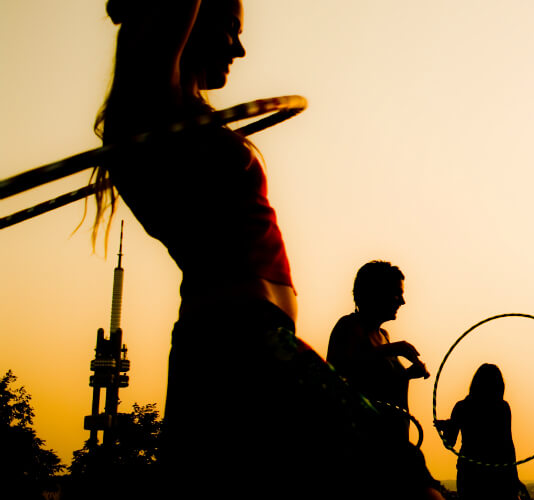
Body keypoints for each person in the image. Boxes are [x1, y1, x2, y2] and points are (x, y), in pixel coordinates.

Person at [90, 1, 442, 497]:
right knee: (393, 471)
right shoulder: (150, 102)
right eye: (229, 30)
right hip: (241, 341)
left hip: (248, 339)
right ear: (188, 23)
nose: (239, 47)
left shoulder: (176, 115)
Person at [327, 260, 430, 443]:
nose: (403, 301)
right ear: (377, 293)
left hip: (393, 441)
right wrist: (393, 349)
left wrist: (407, 375)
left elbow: (384, 389)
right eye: (397, 294)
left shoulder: (384, 335)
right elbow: (343, 371)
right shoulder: (349, 326)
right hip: (361, 442)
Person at [435, 363, 522, 500]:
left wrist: (446, 428)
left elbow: (449, 444)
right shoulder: (503, 407)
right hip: (499, 474)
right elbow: (508, 446)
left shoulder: (462, 407)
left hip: (469, 474)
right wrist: (514, 477)